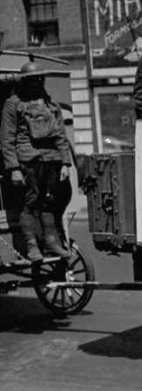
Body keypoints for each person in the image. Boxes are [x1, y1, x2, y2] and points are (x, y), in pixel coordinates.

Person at [1, 61, 72, 262]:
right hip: (27, 161)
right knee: (29, 203)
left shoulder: (51, 105)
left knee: (48, 202)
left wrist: (66, 163)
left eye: (39, 79)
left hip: (51, 160)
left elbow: (60, 135)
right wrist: (14, 168)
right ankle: (32, 246)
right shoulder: (13, 104)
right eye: (32, 79)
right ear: (25, 81)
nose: (36, 82)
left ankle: (51, 242)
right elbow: (7, 139)